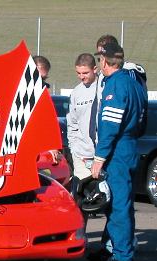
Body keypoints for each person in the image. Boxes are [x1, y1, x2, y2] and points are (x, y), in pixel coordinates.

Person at [88, 34, 147, 261]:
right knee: (124, 203)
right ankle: (118, 250)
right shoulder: (134, 82)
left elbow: (110, 126)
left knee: (118, 205)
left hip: (118, 150)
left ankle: (122, 256)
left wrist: (99, 158)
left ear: (104, 61)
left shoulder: (115, 85)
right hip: (130, 145)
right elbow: (142, 120)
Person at [66, 53, 98, 240]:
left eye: (85, 73)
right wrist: (74, 149)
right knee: (81, 199)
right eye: (78, 73)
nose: (82, 77)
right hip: (82, 155)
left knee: (104, 198)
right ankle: (81, 237)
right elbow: (73, 123)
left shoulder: (103, 87)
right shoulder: (77, 92)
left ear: (95, 69)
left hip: (101, 153)